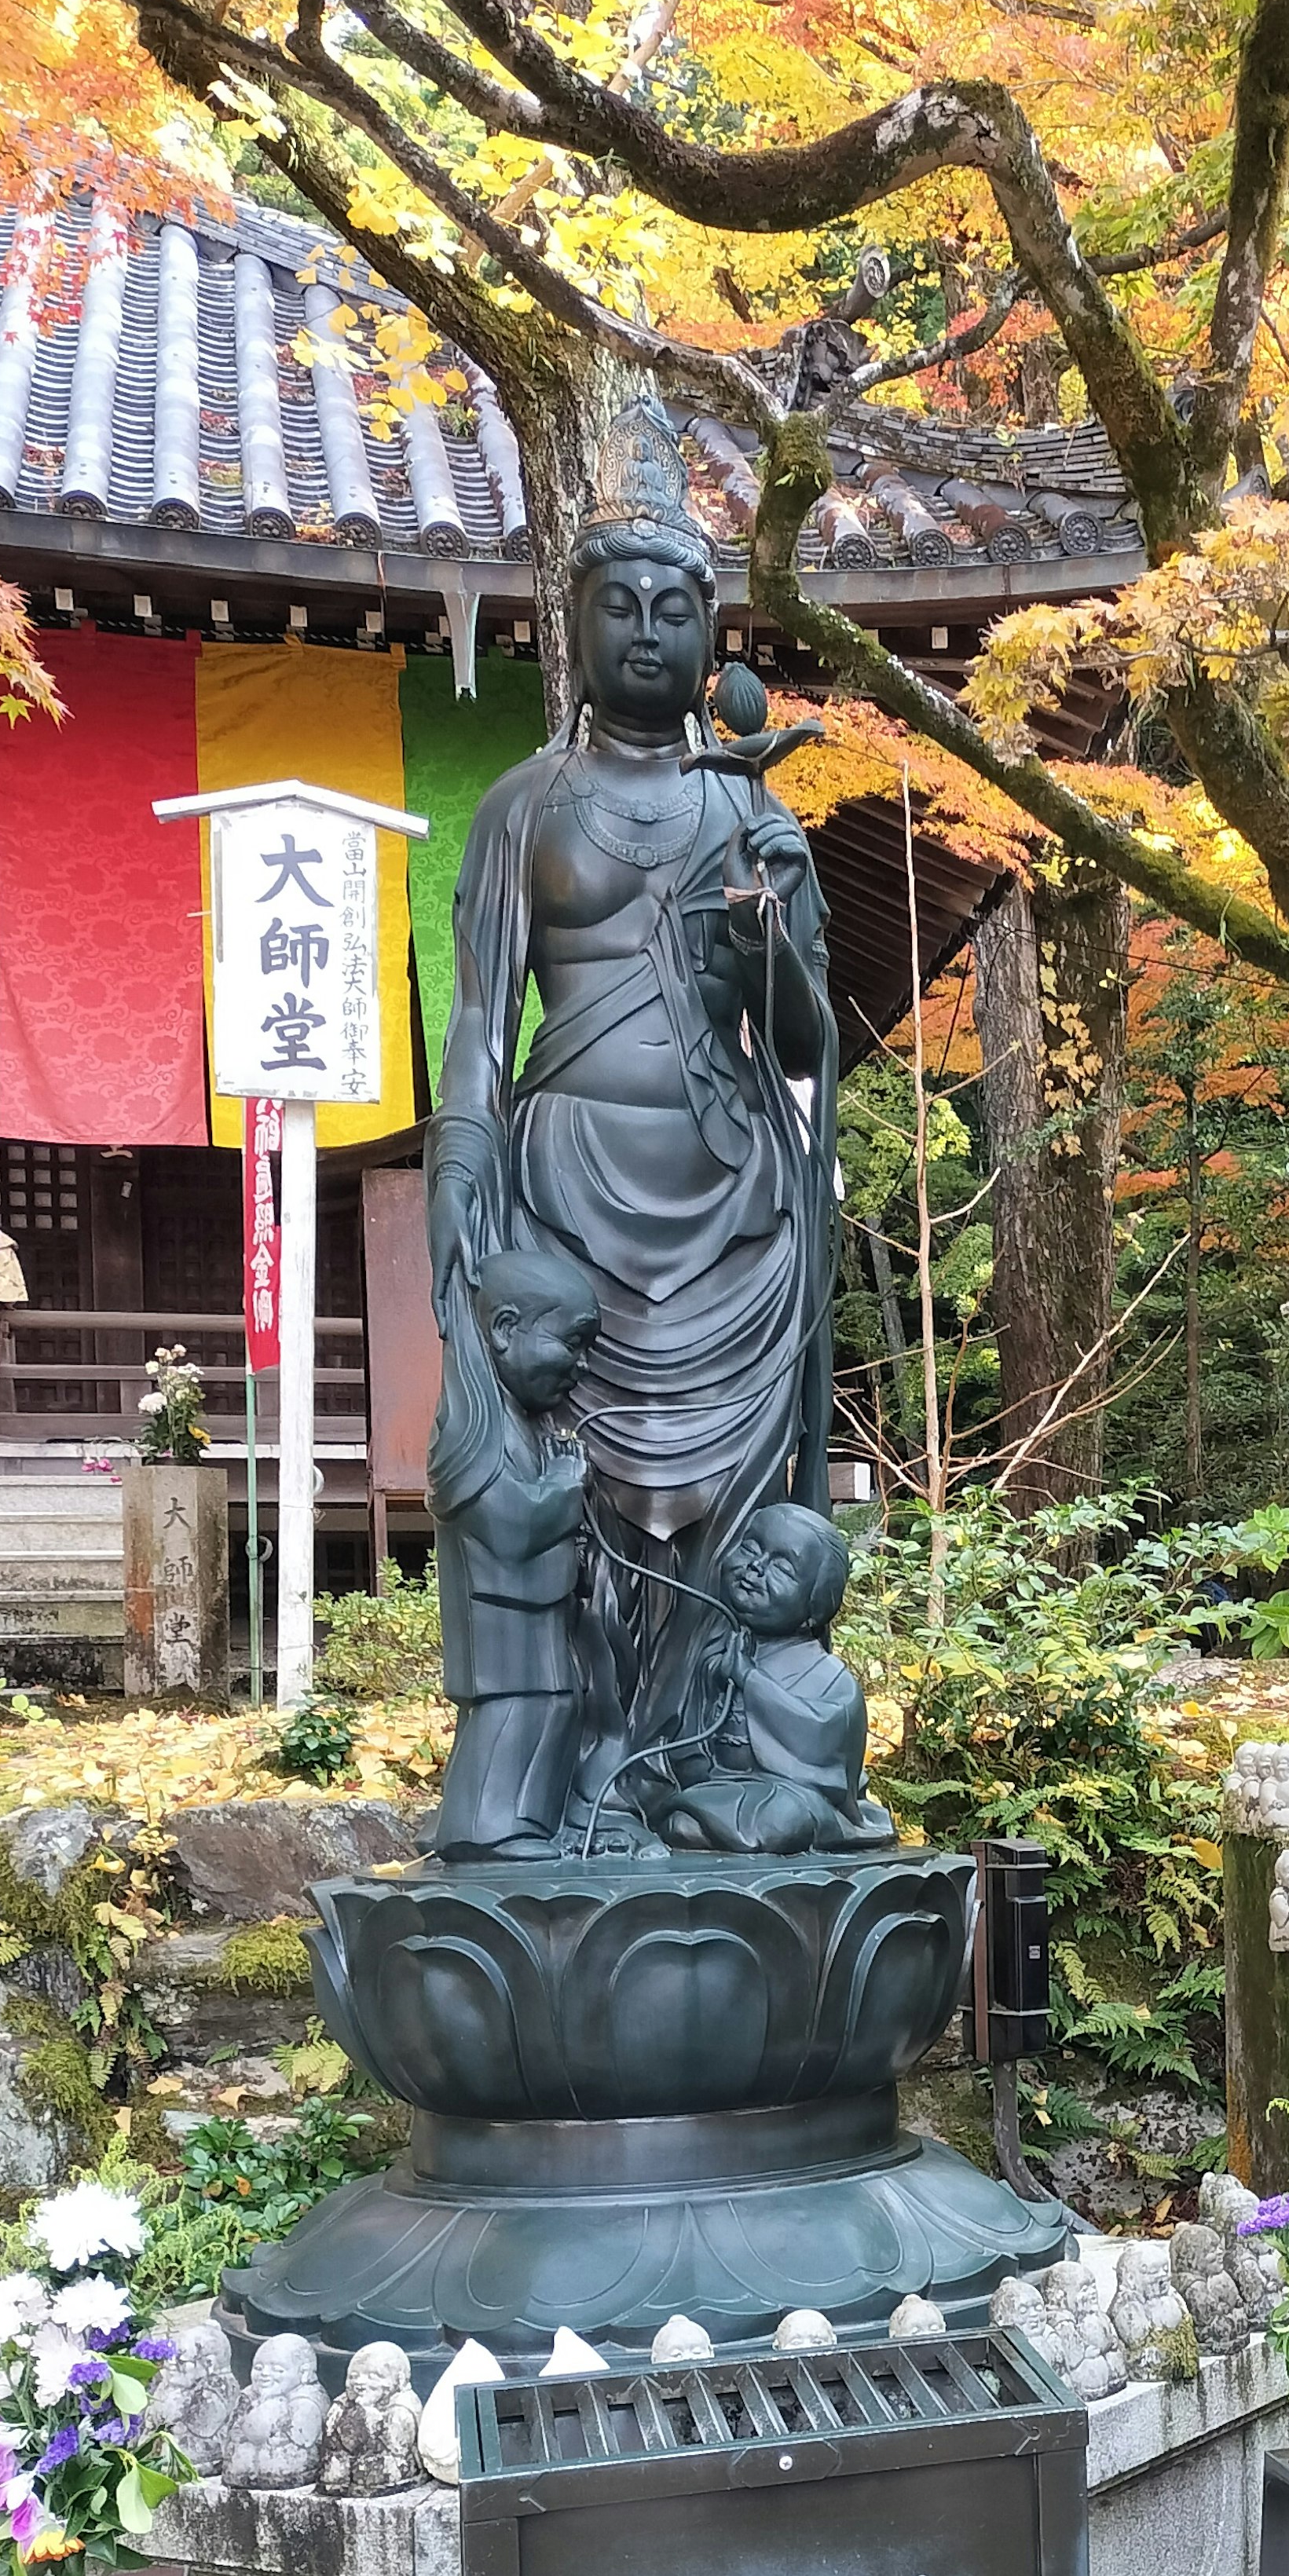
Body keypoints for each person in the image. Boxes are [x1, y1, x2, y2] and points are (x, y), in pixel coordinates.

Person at [424, 440, 840, 1837]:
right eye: (624, 608)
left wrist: (779, 926)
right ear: (575, 627)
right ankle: (574, 1771)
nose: (651, 632)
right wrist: (458, 1196)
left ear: (709, 631)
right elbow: (480, 1026)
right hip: (564, 1195)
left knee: (727, 1509)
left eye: (677, 609)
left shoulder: (748, 806)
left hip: (731, 1200)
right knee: (578, 1495)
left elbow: (798, 1043)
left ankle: (702, 1754)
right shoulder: (523, 808)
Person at [431, 1240, 610, 1861]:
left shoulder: (521, 1422)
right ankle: (484, 1829)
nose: (581, 1367)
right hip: (499, 1618)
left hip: (536, 1614)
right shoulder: (471, 1428)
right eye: (572, 1343)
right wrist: (562, 1489)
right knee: (512, 1716)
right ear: (505, 1330)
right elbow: (509, 1526)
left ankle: (525, 1826)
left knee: (557, 1706)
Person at [654, 1502, 899, 1855]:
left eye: (782, 1567)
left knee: (783, 1818)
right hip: (717, 1786)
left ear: (815, 1607)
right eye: (751, 1548)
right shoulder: (707, 1657)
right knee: (673, 1812)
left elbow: (823, 1746)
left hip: (788, 1797)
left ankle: (710, 1821)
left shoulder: (831, 1680)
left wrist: (749, 1679)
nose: (756, 1567)